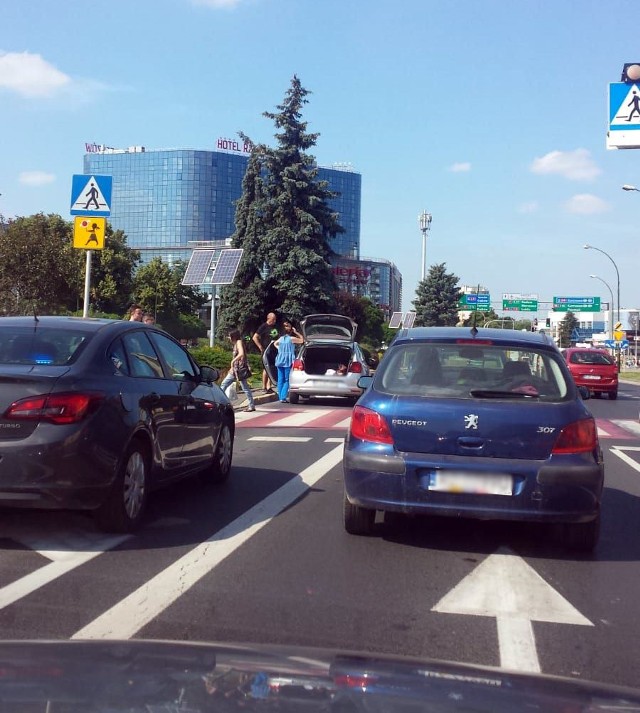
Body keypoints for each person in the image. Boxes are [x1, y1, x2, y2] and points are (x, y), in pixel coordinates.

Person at [219, 329, 256, 412]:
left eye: (229, 336)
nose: (229, 338)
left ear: (233, 336)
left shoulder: (239, 342)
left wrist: (233, 361)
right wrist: (231, 367)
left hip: (239, 370)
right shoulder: (236, 343)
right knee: (225, 384)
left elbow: (241, 353)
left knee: (225, 385)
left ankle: (221, 404)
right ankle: (251, 405)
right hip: (235, 370)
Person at [273, 320, 303, 403]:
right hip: (287, 361)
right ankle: (283, 397)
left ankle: (280, 397)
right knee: (287, 380)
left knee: (280, 379)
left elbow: (275, 343)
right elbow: (302, 340)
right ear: (290, 331)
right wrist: (296, 332)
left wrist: (279, 349)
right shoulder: (292, 339)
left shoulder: (281, 338)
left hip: (279, 360)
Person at [252, 312, 279, 393]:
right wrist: (260, 347)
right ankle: (264, 387)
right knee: (266, 368)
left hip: (274, 350)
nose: (274, 321)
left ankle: (269, 386)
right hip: (266, 351)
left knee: (272, 368)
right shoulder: (264, 326)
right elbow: (255, 337)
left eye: (275, 319)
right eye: (273, 319)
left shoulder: (275, 327)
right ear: (269, 319)